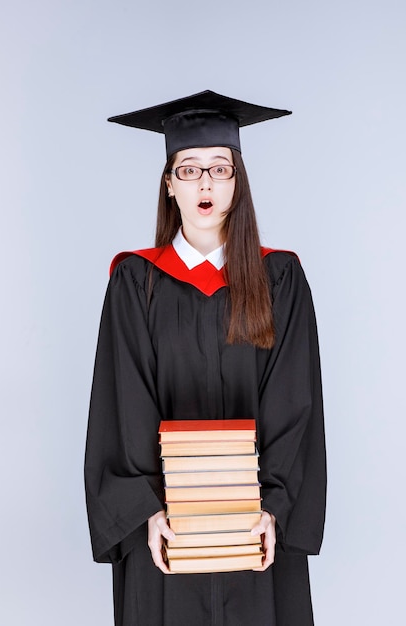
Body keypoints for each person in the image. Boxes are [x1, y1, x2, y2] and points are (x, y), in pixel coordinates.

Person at [85, 90, 326, 626]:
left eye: (219, 168)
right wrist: (146, 511)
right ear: (169, 185)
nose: (205, 184)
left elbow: (295, 401)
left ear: (237, 183)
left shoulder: (279, 279)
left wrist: (275, 508)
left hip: (253, 522)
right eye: (188, 170)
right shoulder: (135, 282)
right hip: (167, 526)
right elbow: (123, 404)